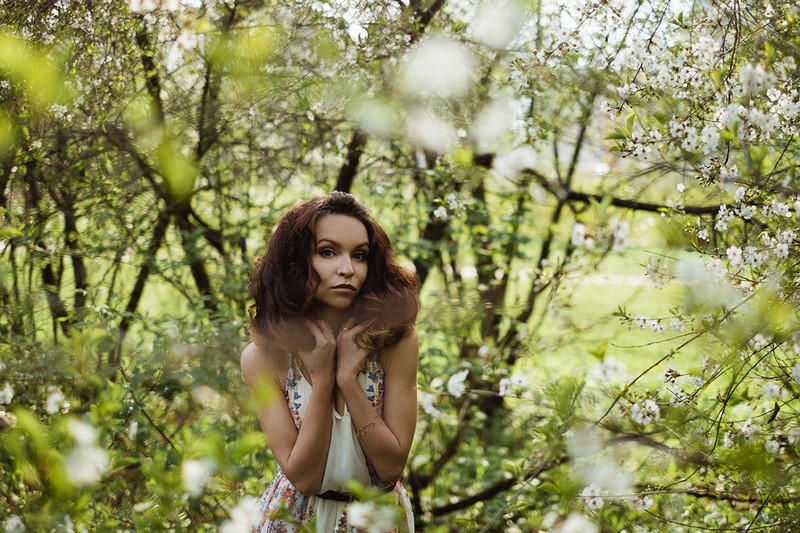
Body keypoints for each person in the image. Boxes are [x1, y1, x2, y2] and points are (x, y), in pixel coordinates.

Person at [241, 191, 421, 532]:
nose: (347, 269)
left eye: (360, 255)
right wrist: (323, 380)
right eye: (327, 252)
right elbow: (305, 479)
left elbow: (390, 467)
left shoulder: (396, 342)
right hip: (294, 520)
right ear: (296, 263)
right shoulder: (262, 358)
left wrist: (348, 380)